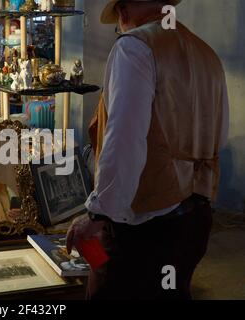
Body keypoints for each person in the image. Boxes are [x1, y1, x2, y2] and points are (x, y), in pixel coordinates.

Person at [66, 0, 229, 300]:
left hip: (146, 227)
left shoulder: (134, 47)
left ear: (124, 11)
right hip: (195, 219)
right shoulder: (206, 53)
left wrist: (99, 213)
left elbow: (124, 141)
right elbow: (218, 136)